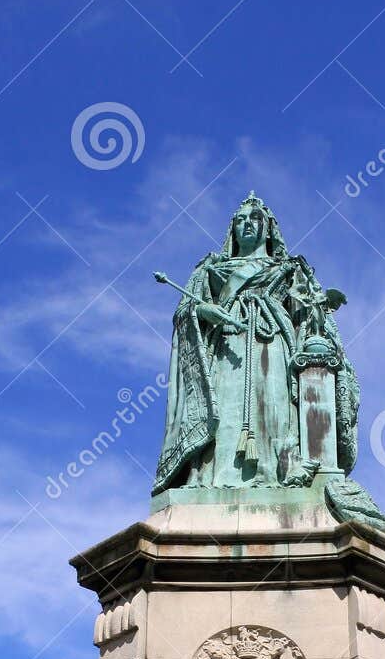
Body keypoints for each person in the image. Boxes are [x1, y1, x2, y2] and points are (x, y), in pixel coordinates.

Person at [153, 195, 358, 492]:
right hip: (223, 348)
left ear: (268, 228)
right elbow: (185, 313)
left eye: (254, 219)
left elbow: (309, 315)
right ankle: (211, 476)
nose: (247, 224)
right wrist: (206, 310)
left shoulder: (288, 269)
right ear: (232, 230)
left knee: (275, 410)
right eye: (240, 220)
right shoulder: (210, 269)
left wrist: (319, 312)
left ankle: (277, 472)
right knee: (222, 411)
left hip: (271, 344)